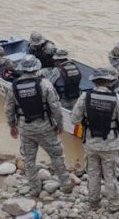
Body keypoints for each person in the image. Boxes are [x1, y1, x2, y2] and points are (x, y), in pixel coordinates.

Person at [5, 55, 71, 197]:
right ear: (37, 68)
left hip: (25, 128)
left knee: (29, 160)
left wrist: (12, 126)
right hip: (45, 127)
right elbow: (56, 108)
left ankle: (35, 189)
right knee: (57, 155)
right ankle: (66, 185)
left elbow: (9, 110)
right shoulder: (45, 84)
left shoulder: (13, 87)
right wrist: (60, 125)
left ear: (22, 69)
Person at [71, 67, 119, 212]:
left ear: (94, 81)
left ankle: (93, 203)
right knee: (110, 176)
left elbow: (74, 119)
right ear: (109, 81)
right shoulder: (117, 98)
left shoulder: (85, 97)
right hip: (110, 145)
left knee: (93, 174)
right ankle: (114, 204)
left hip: (91, 143)